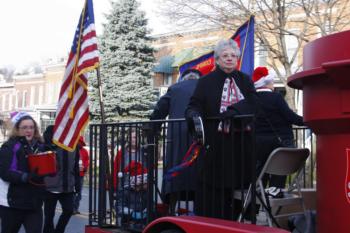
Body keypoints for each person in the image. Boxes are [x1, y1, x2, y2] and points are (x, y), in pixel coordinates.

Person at [185, 39, 258, 220]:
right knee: (213, 194)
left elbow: (255, 103)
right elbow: (194, 105)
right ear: (217, 59)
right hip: (216, 146)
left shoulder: (245, 80)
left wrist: (234, 111)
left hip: (240, 146)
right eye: (225, 56)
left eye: (233, 56)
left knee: (238, 193)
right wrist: (193, 116)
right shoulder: (205, 82)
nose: (229, 59)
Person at [149, 69, 201, 213]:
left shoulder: (175, 88)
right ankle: (199, 215)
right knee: (198, 177)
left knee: (175, 176)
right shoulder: (204, 87)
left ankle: (171, 210)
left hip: (177, 139)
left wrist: (153, 129)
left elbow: (159, 110)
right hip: (200, 139)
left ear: (182, 79)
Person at [252, 67, 304, 197]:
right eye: (272, 82)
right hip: (279, 143)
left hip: (258, 143)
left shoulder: (251, 99)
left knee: (261, 172)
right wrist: (308, 120)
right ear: (267, 83)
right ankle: (275, 196)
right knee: (279, 170)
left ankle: (257, 205)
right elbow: (290, 117)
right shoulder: (276, 97)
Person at [0, 112, 46, 233]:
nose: (28, 130)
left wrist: (51, 170)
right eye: (24, 127)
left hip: (34, 203)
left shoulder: (41, 146)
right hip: (12, 203)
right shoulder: (9, 146)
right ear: (17, 130)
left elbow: (46, 169)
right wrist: (27, 177)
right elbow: (5, 173)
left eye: (31, 127)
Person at [42, 125, 80, 233]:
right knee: (49, 216)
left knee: (68, 210)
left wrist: (77, 184)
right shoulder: (49, 141)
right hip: (50, 186)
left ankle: (58, 231)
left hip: (67, 186)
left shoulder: (73, 144)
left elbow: (76, 165)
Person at [73, 136, 89, 215]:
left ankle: (75, 208)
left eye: (81, 143)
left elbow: (87, 161)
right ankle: (71, 208)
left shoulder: (85, 151)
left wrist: (85, 168)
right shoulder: (71, 150)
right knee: (72, 192)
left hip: (81, 174)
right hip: (73, 174)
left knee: (78, 192)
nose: (80, 144)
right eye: (79, 142)